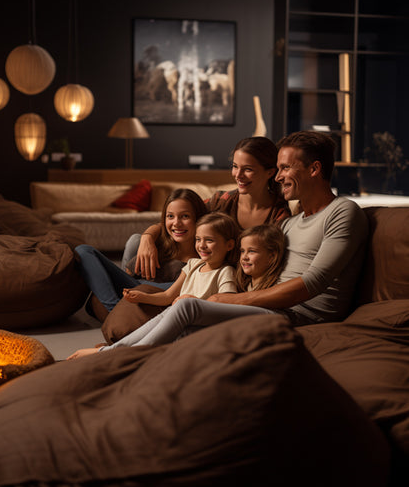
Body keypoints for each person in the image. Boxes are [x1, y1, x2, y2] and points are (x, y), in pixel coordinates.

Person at [113, 130, 368, 334]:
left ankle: (116, 352)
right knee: (181, 304)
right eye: (278, 169)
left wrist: (232, 299)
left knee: (187, 307)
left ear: (314, 169)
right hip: (261, 301)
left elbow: (313, 282)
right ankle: (116, 350)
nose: (278, 177)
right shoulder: (290, 223)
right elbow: (185, 218)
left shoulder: (342, 212)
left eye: (285, 168)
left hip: (299, 316)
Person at [67, 212, 239, 359]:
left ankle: (111, 351)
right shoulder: (193, 264)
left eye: (209, 240)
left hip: (193, 326)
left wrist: (196, 301)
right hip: (173, 316)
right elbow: (167, 296)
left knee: (156, 337)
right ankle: (115, 349)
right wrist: (142, 296)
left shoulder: (225, 272)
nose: (201, 245)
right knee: (155, 325)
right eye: (198, 239)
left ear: (229, 245)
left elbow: (226, 305)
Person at [130, 136, 291, 280]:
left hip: (223, 281)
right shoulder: (220, 201)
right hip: (199, 270)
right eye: (235, 166)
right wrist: (147, 238)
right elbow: (179, 221)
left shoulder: (279, 216)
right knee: (135, 241)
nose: (238, 175)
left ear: (270, 172)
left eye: (247, 169)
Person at [74, 188, 207, 317]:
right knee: (84, 251)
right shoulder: (160, 244)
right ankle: (114, 311)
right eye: (170, 216)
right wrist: (147, 237)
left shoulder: (205, 256)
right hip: (134, 287)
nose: (176, 223)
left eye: (185, 216)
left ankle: (114, 312)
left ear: (199, 218)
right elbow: (129, 274)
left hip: (157, 295)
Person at [235, 224, 286, 293]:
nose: (244, 257)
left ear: (271, 257)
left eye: (251, 251)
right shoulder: (245, 286)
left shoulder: (273, 289)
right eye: (242, 251)